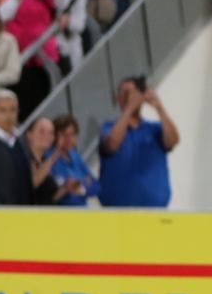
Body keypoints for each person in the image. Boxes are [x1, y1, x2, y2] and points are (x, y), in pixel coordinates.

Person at [99, 76, 179, 208]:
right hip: (116, 213)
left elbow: (173, 141)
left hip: (154, 211)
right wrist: (129, 109)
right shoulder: (108, 128)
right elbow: (112, 144)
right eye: (124, 93)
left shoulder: (154, 128)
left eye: (133, 93)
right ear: (117, 98)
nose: (129, 97)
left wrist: (159, 107)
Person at [51, 116, 99, 207]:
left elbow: (96, 187)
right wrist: (84, 181)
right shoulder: (48, 158)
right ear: (55, 136)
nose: (69, 139)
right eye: (64, 135)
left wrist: (80, 185)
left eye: (72, 134)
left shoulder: (75, 156)